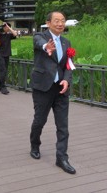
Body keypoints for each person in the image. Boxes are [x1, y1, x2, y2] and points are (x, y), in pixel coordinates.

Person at [29, 11, 76, 174]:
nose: (60, 23)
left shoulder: (66, 42)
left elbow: (69, 65)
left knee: (63, 125)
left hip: (61, 89)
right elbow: (39, 43)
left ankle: (62, 157)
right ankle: (35, 144)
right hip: (43, 88)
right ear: (48, 23)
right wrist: (46, 46)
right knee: (39, 120)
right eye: (56, 21)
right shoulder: (39, 36)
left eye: (63, 20)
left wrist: (66, 80)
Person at [0, 22, 17, 94]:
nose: (6, 28)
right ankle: (3, 87)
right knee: (3, 70)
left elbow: (15, 34)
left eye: (7, 27)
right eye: (5, 27)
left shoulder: (9, 35)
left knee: (4, 71)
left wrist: (9, 27)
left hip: (6, 55)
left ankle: (0, 86)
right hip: (0, 55)